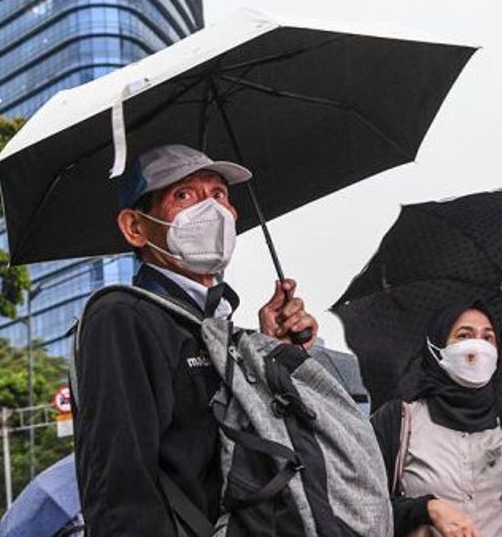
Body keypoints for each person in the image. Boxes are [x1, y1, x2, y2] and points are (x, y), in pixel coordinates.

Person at [73, 144, 319, 535]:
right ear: (135, 227)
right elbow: (120, 479)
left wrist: (273, 354)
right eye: (184, 195)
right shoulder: (123, 318)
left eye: (218, 195)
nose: (211, 210)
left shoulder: (222, 326)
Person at [371, 302, 502, 537]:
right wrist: (427, 509)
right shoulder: (398, 421)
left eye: (487, 338)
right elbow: (362, 507)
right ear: (436, 347)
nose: (478, 346)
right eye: (464, 336)